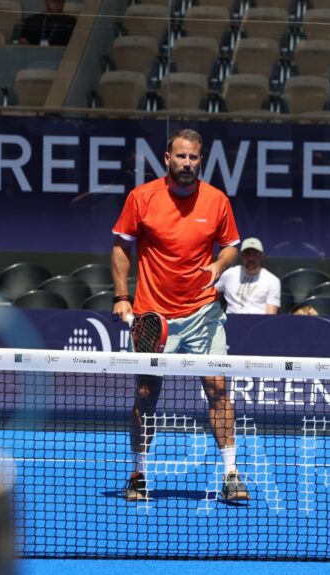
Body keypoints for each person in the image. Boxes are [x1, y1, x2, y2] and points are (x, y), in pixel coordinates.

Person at [111, 128, 248, 502]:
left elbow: (232, 247)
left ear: (201, 160)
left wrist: (220, 265)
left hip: (203, 311)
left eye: (194, 157)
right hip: (154, 315)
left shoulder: (216, 200)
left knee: (218, 389)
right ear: (167, 159)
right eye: (181, 156)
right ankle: (139, 473)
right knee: (145, 393)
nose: (187, 163)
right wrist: (122, 296)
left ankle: (232, 474)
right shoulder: (142, 198)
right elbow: (122, 248)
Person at [214, 237, 280, 315]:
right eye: (247, 253)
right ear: (241, 255)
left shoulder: (272, 280)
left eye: (255, 253)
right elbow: (211, 295)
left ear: (261, 256)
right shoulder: (229, 274)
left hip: (258, 323)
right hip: (231, 322)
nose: (251, 258)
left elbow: (271, 314)